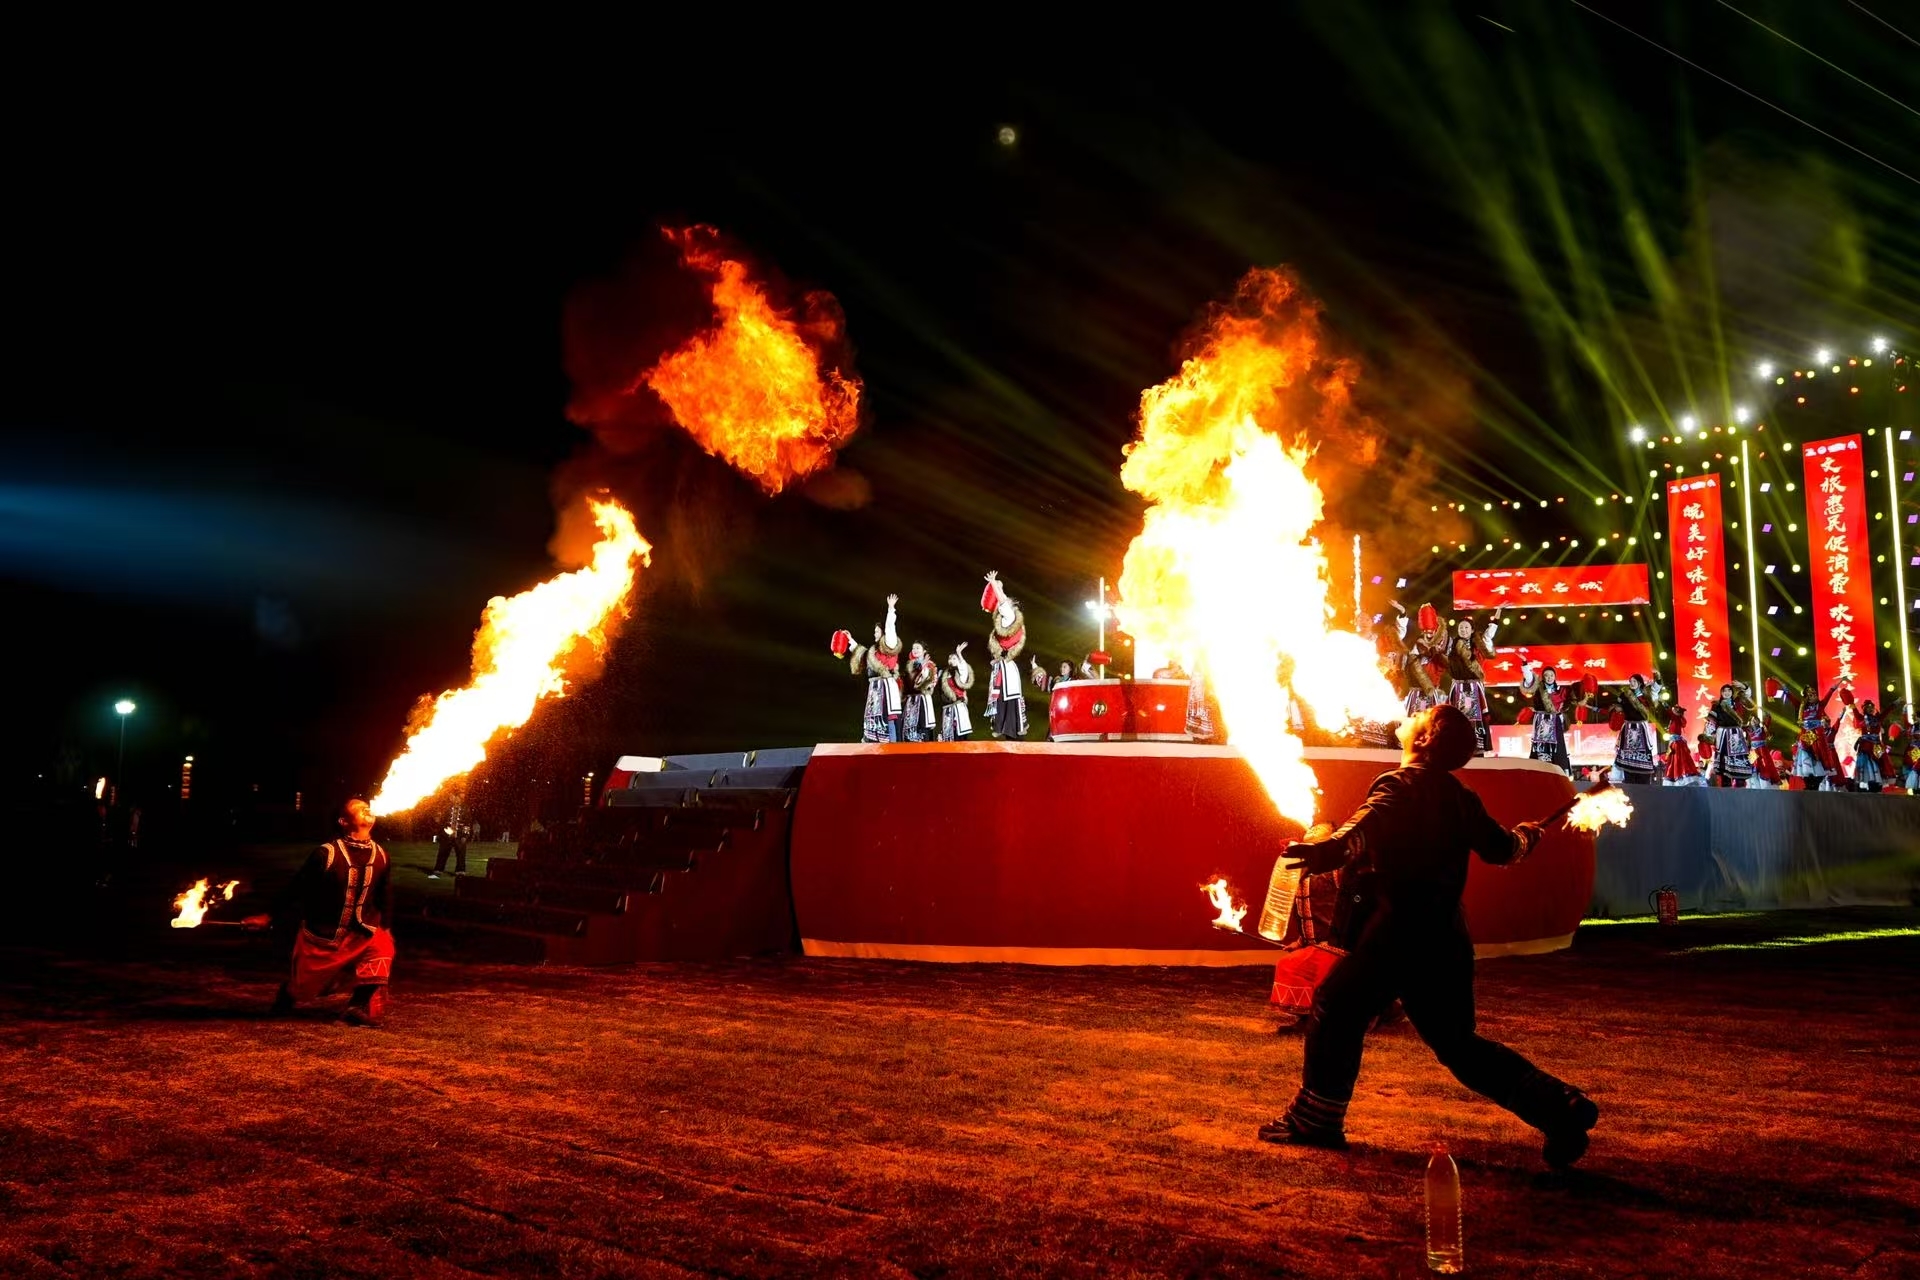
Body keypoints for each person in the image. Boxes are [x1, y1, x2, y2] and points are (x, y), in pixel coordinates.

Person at [1259, 705, 1598, 1167]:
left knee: (1336, 1008)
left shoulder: (1398, 784)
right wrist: (1526, 836)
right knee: (1459, 1045)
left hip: (1395, 933)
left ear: (1423, 741)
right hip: (1443, 939)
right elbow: (1502, 849)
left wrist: (1327, 851)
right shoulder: (1462, 795)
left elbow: (1366, 827)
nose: (1406, 720)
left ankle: (1316, 1120)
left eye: (1418, 719)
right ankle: (1560, 1108)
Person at [244, 798, 396, 1026]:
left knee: (383, 947)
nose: (366, 808)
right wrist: (269, 916)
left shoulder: (381, 855)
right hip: (325, 933)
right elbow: (296, 887)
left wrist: (386, 926)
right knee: (304, 987)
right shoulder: (327, 854)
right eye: (357, 806)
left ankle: (356, 1007)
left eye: (367, 805)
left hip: (363, 931)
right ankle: (288, 995)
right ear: (343, 821)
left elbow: (384, 894)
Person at [829, 594, 905, 743]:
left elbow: (890, 628)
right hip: (875, 690)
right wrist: (850, 640)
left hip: (885, 688)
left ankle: (892, 749)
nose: (874, 633)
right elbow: (863, 655)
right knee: (873, 722)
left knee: (887, 718)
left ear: (883, 633)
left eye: (877, 631)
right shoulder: (874, 651)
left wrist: (891, 610)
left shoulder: (889, 644)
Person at [1440, 608, 1501, 754]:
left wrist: (1498, 613)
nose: (1463, 629)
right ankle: (1456, 746)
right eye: (1461, 627)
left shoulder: (1479, 643)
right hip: (1458, 686)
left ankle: (1477, 747)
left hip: (1474, 687)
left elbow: (1490, 631)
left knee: (1476, 716)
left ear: (1472, 630)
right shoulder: (1452, 645)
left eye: (1466, 627)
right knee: (1456, 716)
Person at [980, 571, 1029, 739]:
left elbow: (1002, 602)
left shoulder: (1010, 617)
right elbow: (999, 603)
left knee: (1007, 697)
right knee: (1003, 697)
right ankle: (1006, 729)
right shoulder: (1004, 619)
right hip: (1004, 666)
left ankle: (1010, 730)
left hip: (1007, 667)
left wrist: (994, 584)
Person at [1518, 660, 1572, 773]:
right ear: (1543, 677)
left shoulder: (1562, 690)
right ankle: (1539, 769)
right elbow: (1529, 680)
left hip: (1555, 721)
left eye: (1552, 675)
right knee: (1540, 745)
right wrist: (1526, 667)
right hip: (1542, 721)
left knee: (1557, 745)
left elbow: (1572, 700)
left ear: (1555, 677)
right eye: (1546, 675)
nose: (1549, 677)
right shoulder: (1538, 687)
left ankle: (1559, 770)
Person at [1608, 674, 1661, 785]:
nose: (1631, 683)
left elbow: (1656, 690)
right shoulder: (1624, 695)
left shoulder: (1646, 695)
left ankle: (1644, 782)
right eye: (1630, 681)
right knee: (1627, 756)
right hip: (1628, 729)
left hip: (1641, 729)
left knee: (1643, 754)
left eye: (1634, 681)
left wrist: (1658, 677)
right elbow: (1618, 708)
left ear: (1639, 683)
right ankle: (1629, 780)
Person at [1793, 683, 1843, 790]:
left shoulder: (1820, 705)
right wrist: (1782, 686)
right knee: (1806, 759)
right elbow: (1791, 698)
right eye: (1810, 694)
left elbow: (1830, 693)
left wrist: (1838, 683)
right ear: (1806, 697)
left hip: (1818, 737)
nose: (1813, 696)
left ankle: (1816, 784)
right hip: (1806, 736)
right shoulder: (1802, 707)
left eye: (1814, 694)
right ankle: (1808, 784)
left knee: (1819, 759)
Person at [1704, 684, 1755, 788]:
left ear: (1732, 692)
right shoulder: (1717, 705)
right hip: (1722, 735)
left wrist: (1742, 685)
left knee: (1738, 760)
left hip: (1736, 735)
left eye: (1729, 691)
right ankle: (1726, 787)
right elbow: (1711, 720)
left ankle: (1740, 786)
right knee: (1724, 763)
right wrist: (1711, 734)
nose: (1727, 693)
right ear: (1721, 693)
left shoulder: (1737, 703)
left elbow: (1747, 694)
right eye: (1724, 691)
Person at [902, 642, 939, 743]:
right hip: (911, 700)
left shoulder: (931, 666)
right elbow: (908, 682)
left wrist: (922, 669)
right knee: (909, 726)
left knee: (923, 725)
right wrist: (918, 669)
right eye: (913, 648)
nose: (915, 650)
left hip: (923, 699)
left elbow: (931, 683)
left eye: (918, 648)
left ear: (924, 651)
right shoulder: (910, 665)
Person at [938, 643, 974, 741]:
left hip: (958, 707)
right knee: (947, 736)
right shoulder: (944, 674)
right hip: (947, 709)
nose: (951, 660)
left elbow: (964, 668)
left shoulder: (960, 673)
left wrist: (959, 653)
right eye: (950, 658)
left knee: (959, 735)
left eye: (954, 658)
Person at [1662, 704, 1701, 786]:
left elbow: (1670, 712)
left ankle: (1681, 776)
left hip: (1677, 742)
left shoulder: (1676, 717)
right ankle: (1676, 776)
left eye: (1676, 709)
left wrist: (1665, 705)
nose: (1674, 710)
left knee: (1678, 758)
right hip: (1674, 741)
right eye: (1674, 709)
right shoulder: (1675, 718)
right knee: (1674, 759)